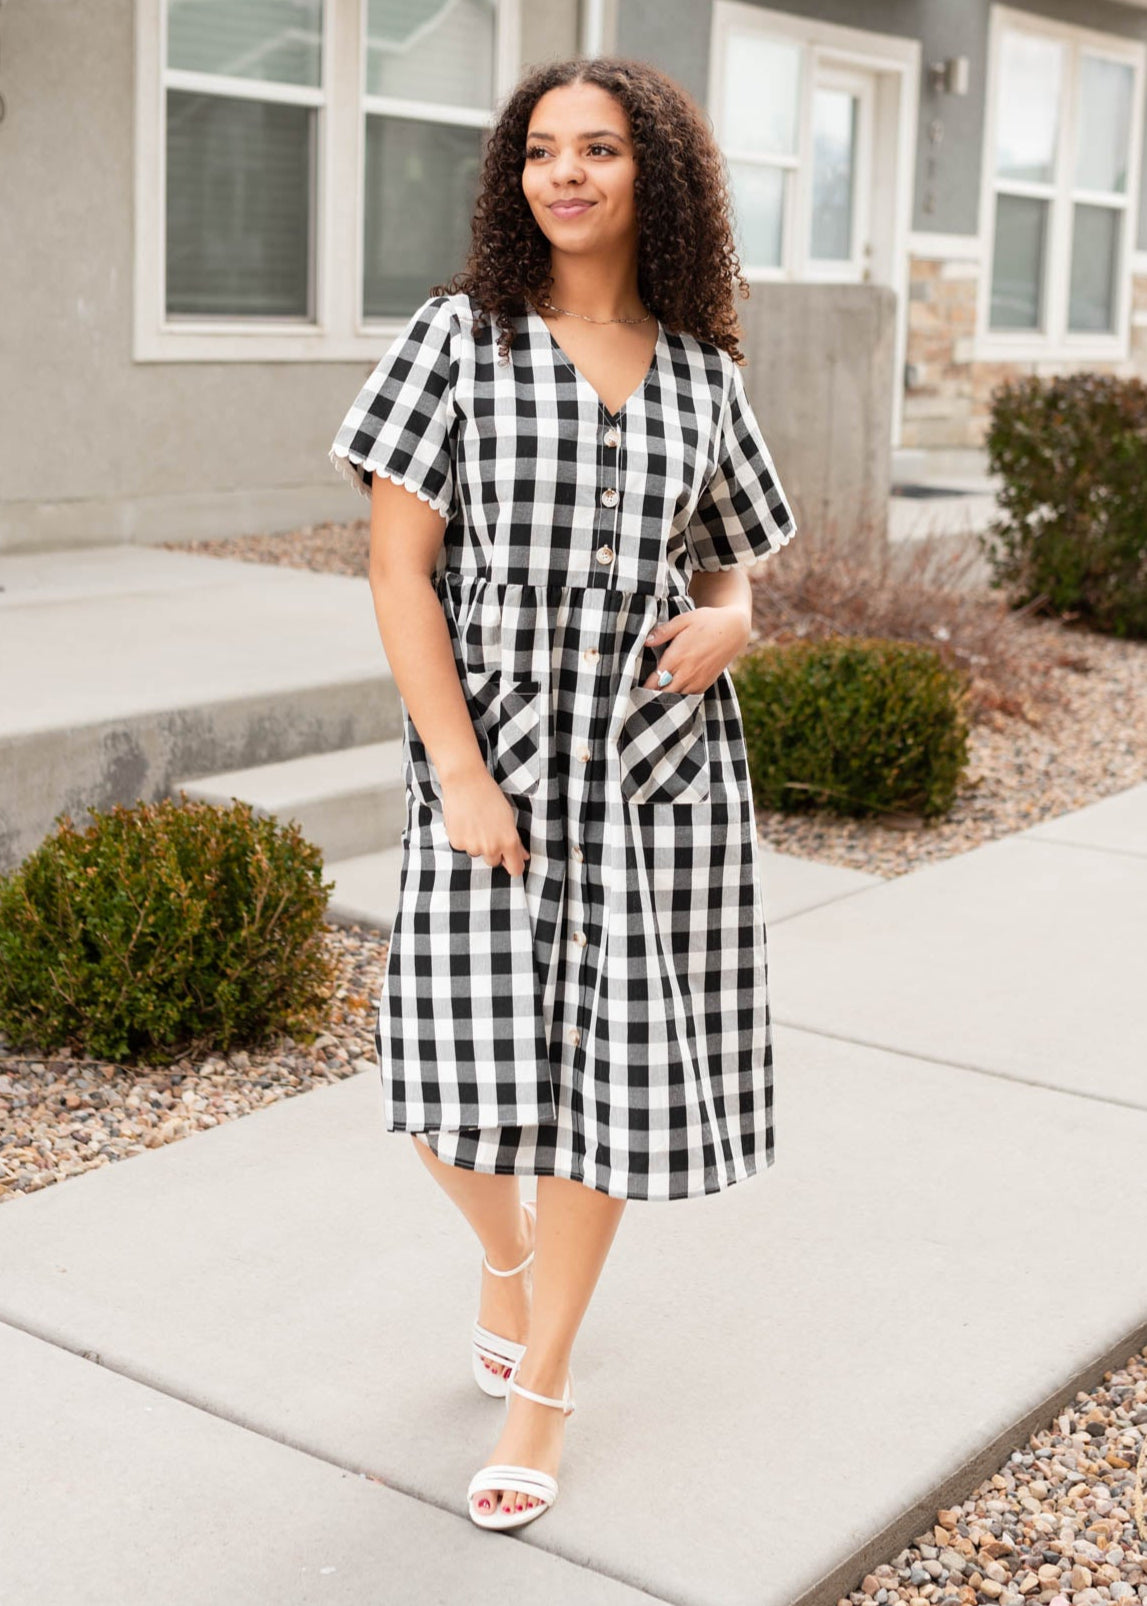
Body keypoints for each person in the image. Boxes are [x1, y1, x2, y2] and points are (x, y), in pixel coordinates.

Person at [328, 54, 797, 1533]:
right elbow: (399, 568)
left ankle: (545, 1381)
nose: (568, 173)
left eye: (600, 148)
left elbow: (731, 556)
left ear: (652, 173)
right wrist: (457, 769)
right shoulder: (455, 341)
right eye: (543, 150)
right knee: (444, 1078)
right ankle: (509, 1257)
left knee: (606, 1086)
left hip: (656, 764)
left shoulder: (706, 369)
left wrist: (737, 615)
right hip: (496, 757)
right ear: (514, 177)